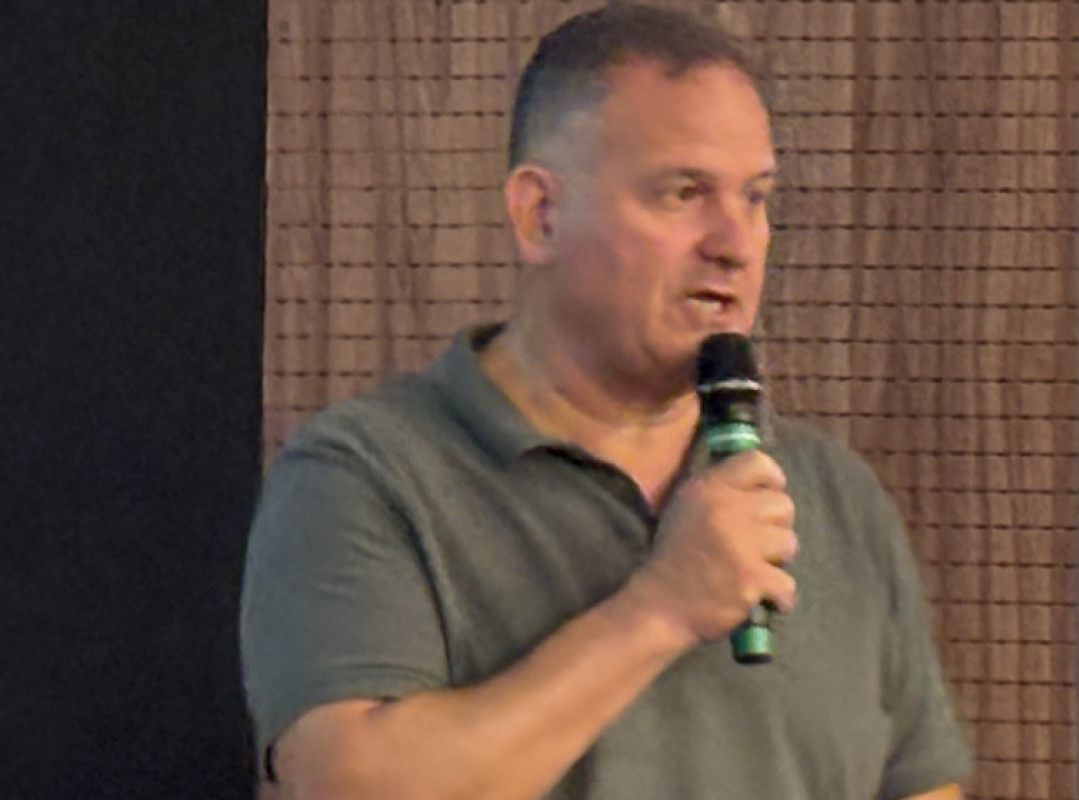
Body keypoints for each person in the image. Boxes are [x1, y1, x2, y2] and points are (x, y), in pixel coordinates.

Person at [240, 4, 974, 799]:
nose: (734, 244)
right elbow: (352, 787)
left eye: (756, 198)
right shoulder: (367, 479)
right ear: (540, 215)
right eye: (684, 193)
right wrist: (660, 609)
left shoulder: (831, 494)